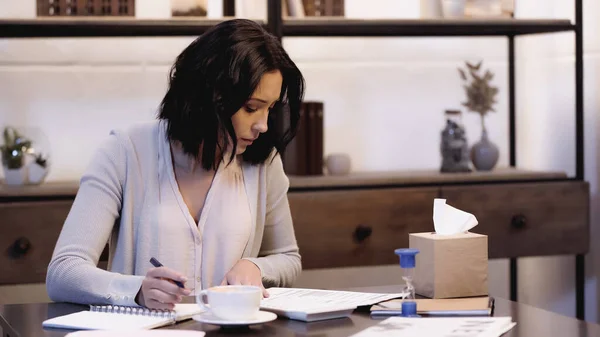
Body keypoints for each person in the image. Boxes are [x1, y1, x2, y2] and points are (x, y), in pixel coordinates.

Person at [46, 18, 305, 310]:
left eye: (269, 109)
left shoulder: (263, 162)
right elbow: (63, 271)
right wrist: (137, 290)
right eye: (251, 108)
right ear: (211, 97)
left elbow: (287, 257)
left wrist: (256, 267)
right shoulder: (124, 152)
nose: (263, 126)